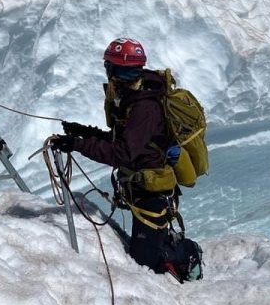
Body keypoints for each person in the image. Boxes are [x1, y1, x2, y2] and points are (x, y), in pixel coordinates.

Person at [53, 38, 183, 274]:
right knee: (144, 253)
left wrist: (78, 144)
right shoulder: (134, 100)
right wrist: (82, 133)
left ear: (116, 70)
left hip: (151, 193)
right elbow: (121, 139)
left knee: (144, 266)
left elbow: (121, 153)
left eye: (108, 67)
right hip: (142, 189)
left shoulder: (144, 107)